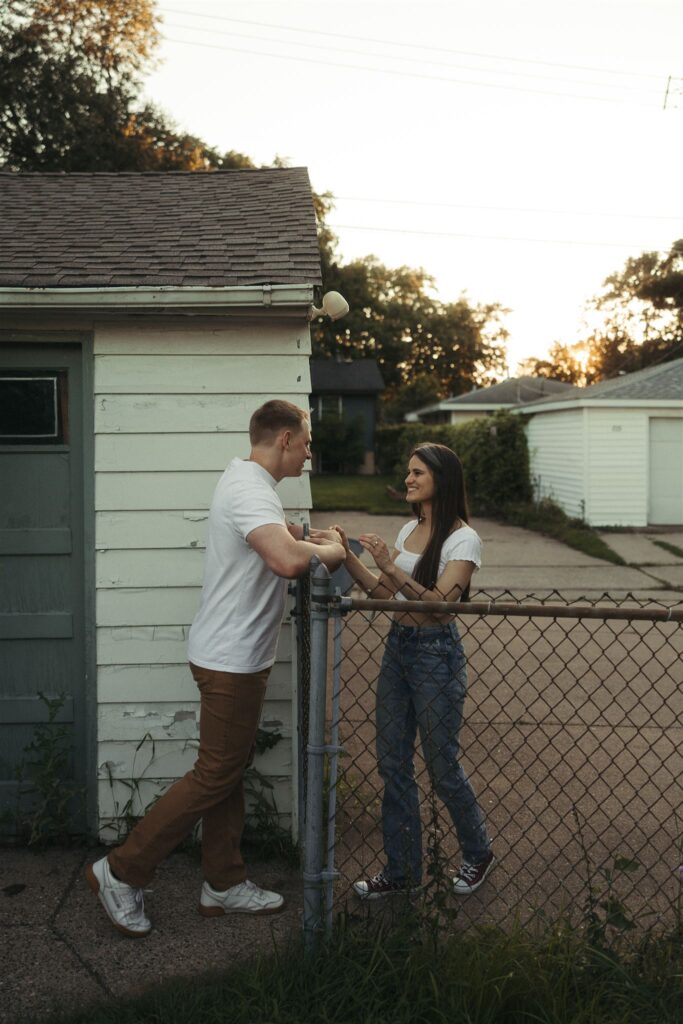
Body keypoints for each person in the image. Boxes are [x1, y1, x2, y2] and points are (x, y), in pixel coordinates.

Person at [86, 400, 345, 937]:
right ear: (283, 440)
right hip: (230, 659)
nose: (309, 452)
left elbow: (274, 537)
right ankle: (122, 870)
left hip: (231, 656)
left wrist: (299, 529)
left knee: (225, 769)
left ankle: (223, 883)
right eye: (307, 442)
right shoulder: (250, 489)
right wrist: (334, 552)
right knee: (215, 773)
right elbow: (287, 561)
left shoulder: (250, 488)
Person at [335, 443, 494, 899]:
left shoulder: (463, 539)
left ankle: (478, 852)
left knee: (442, 767)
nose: (407, 479)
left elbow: (442, 608)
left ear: (441, 480)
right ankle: (402, 869)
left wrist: (389, 566)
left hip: (435, 656)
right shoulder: (408, 529)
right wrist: (347, 555)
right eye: (407, 472)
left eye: (417, 473)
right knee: (392, 764)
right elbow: (380, 595)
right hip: (398, 649)